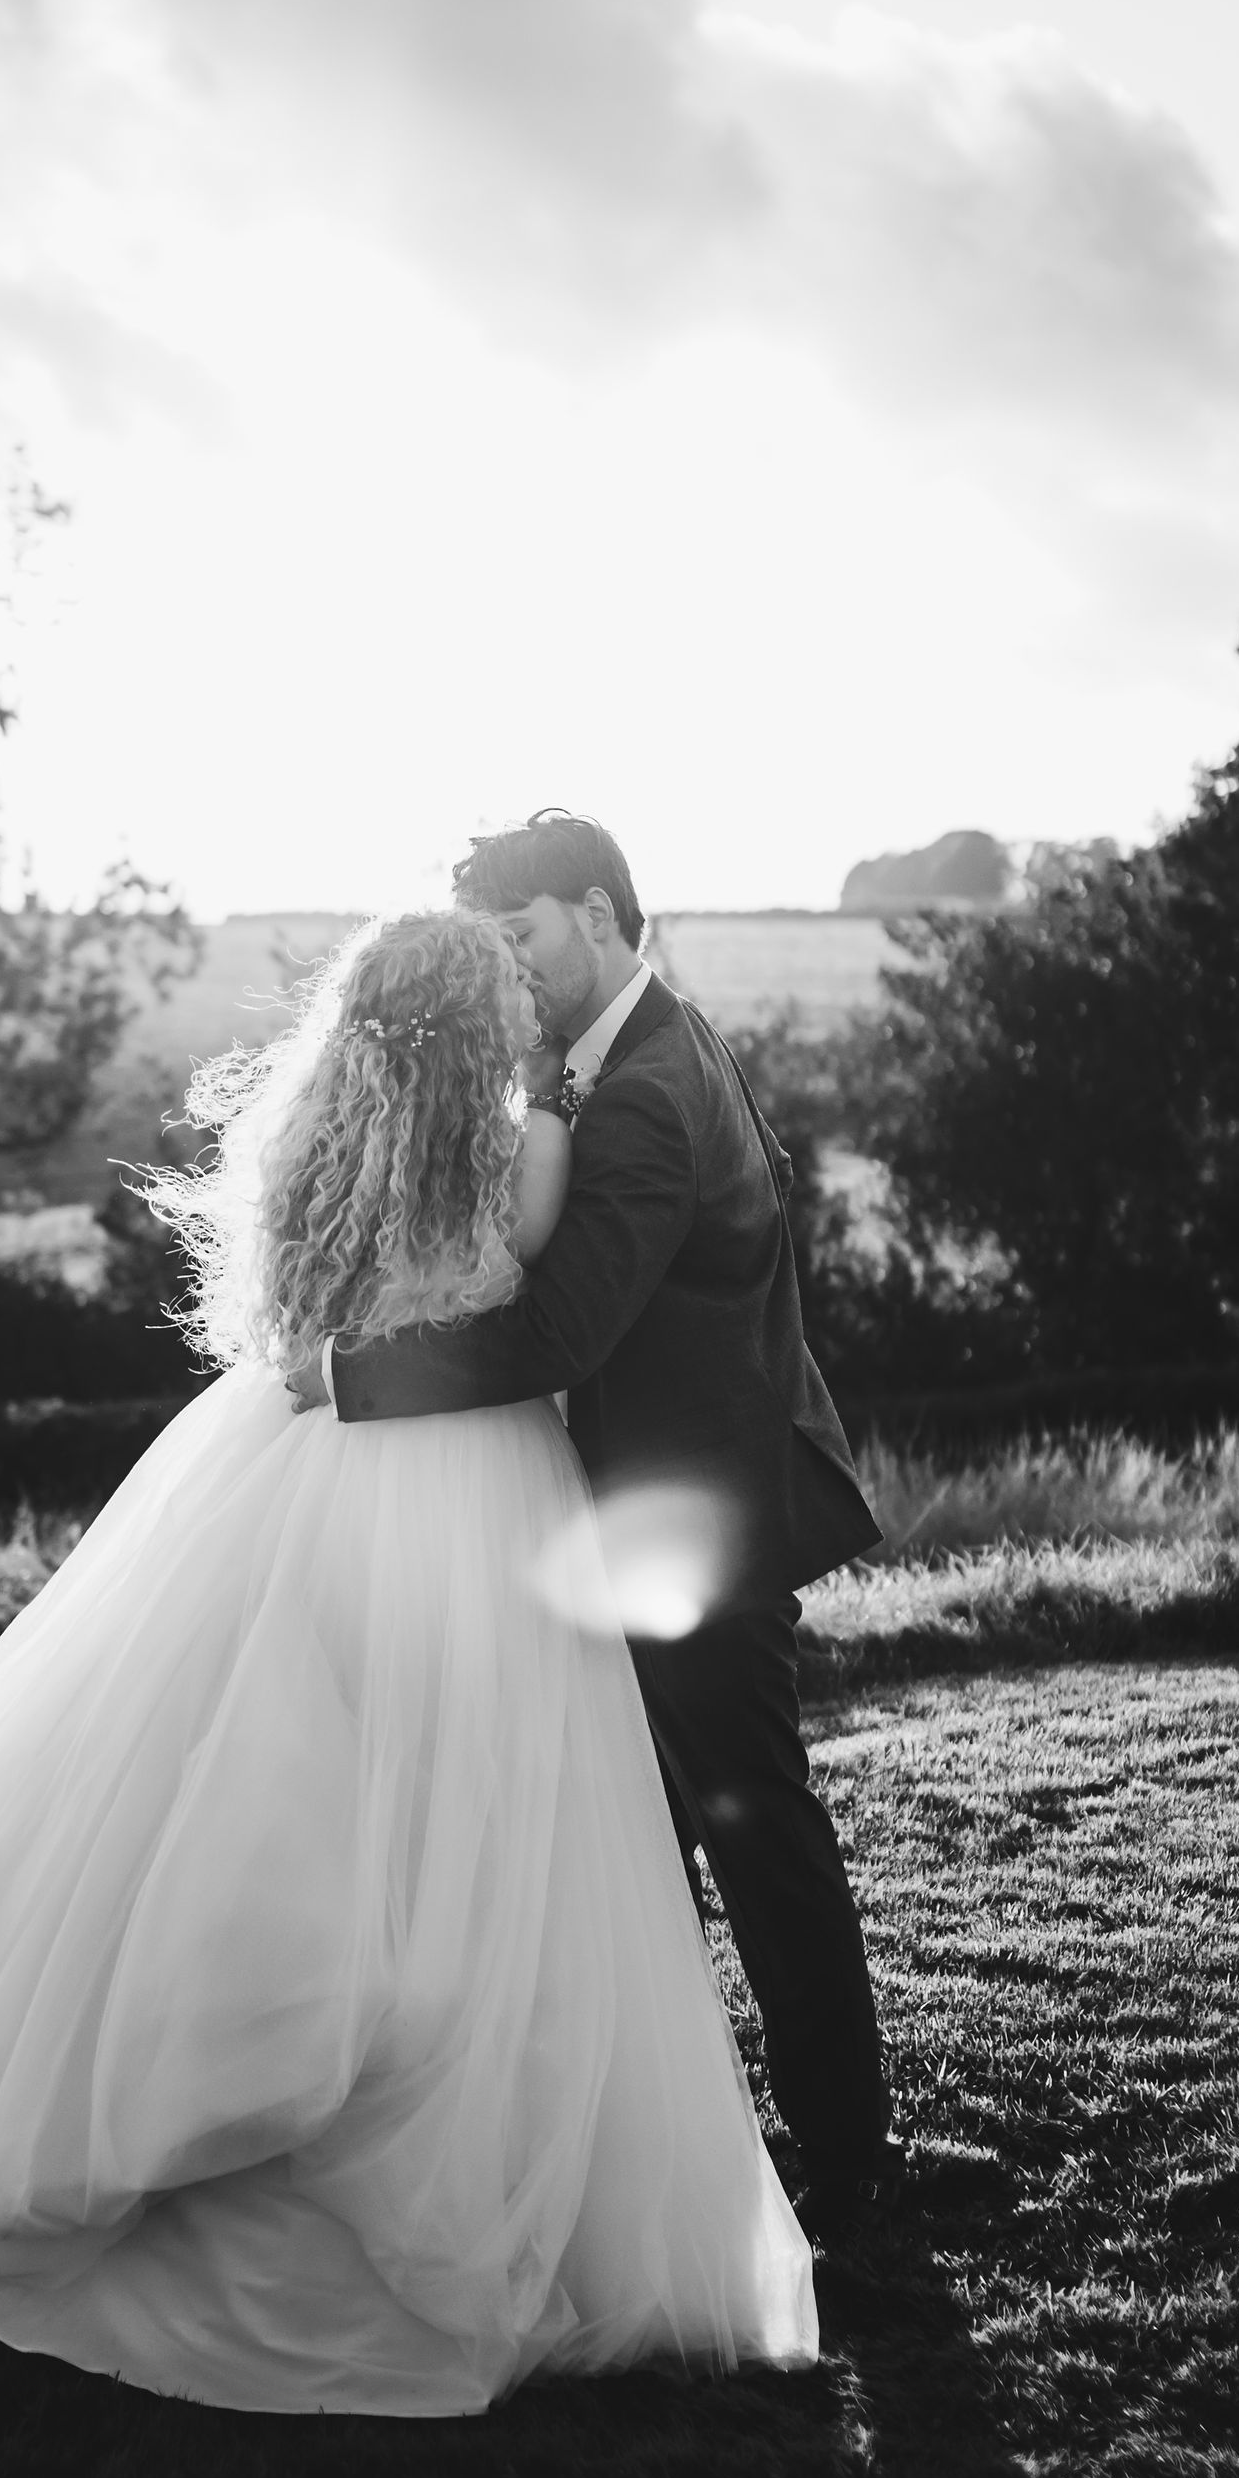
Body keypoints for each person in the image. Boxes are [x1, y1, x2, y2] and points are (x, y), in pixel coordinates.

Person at [0, 907, 816, 2417]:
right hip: (468, 1497)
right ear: (470, 1022)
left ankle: (215, 2051)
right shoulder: (529, 1156)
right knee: (467, 1829)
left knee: (258, 1779)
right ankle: (410, 2110)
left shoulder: (308, 1139)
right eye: (500, 993)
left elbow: (304, 1321)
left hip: (292, 1471)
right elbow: (554, 1327)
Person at [291, 811, 901, 2242]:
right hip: (664, 1511)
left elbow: (564, 1328)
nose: (507, 963)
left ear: (602, 913)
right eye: (488, 942)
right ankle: (677, 2145)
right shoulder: (644, 1047)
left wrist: (349, 1378)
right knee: (644, 1841)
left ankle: (852, 2172)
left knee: (754, 1837)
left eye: (523, 933)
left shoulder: (637, 1090)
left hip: (693, 1535)